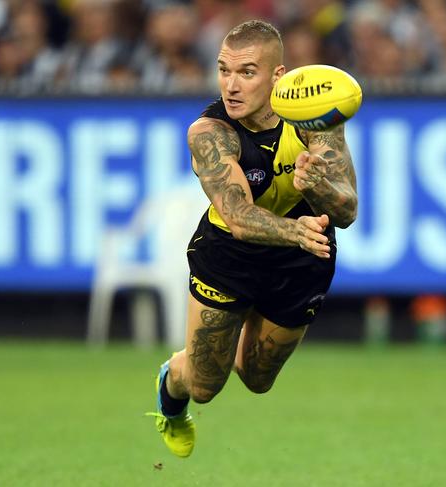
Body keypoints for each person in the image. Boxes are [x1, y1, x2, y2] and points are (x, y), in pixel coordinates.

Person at [148, 19, 358, 458]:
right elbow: (240, 217)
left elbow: (347, 210)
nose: (231, 84)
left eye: (246, 72)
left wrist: (316, 186)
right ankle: (171, 389)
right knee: (205, 386)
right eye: (224, 70)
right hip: (230, 256)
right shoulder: (209, 133)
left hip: (301, 260)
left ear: (277, 77)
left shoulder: (313, 118)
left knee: (257, 379)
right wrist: (295, 229)